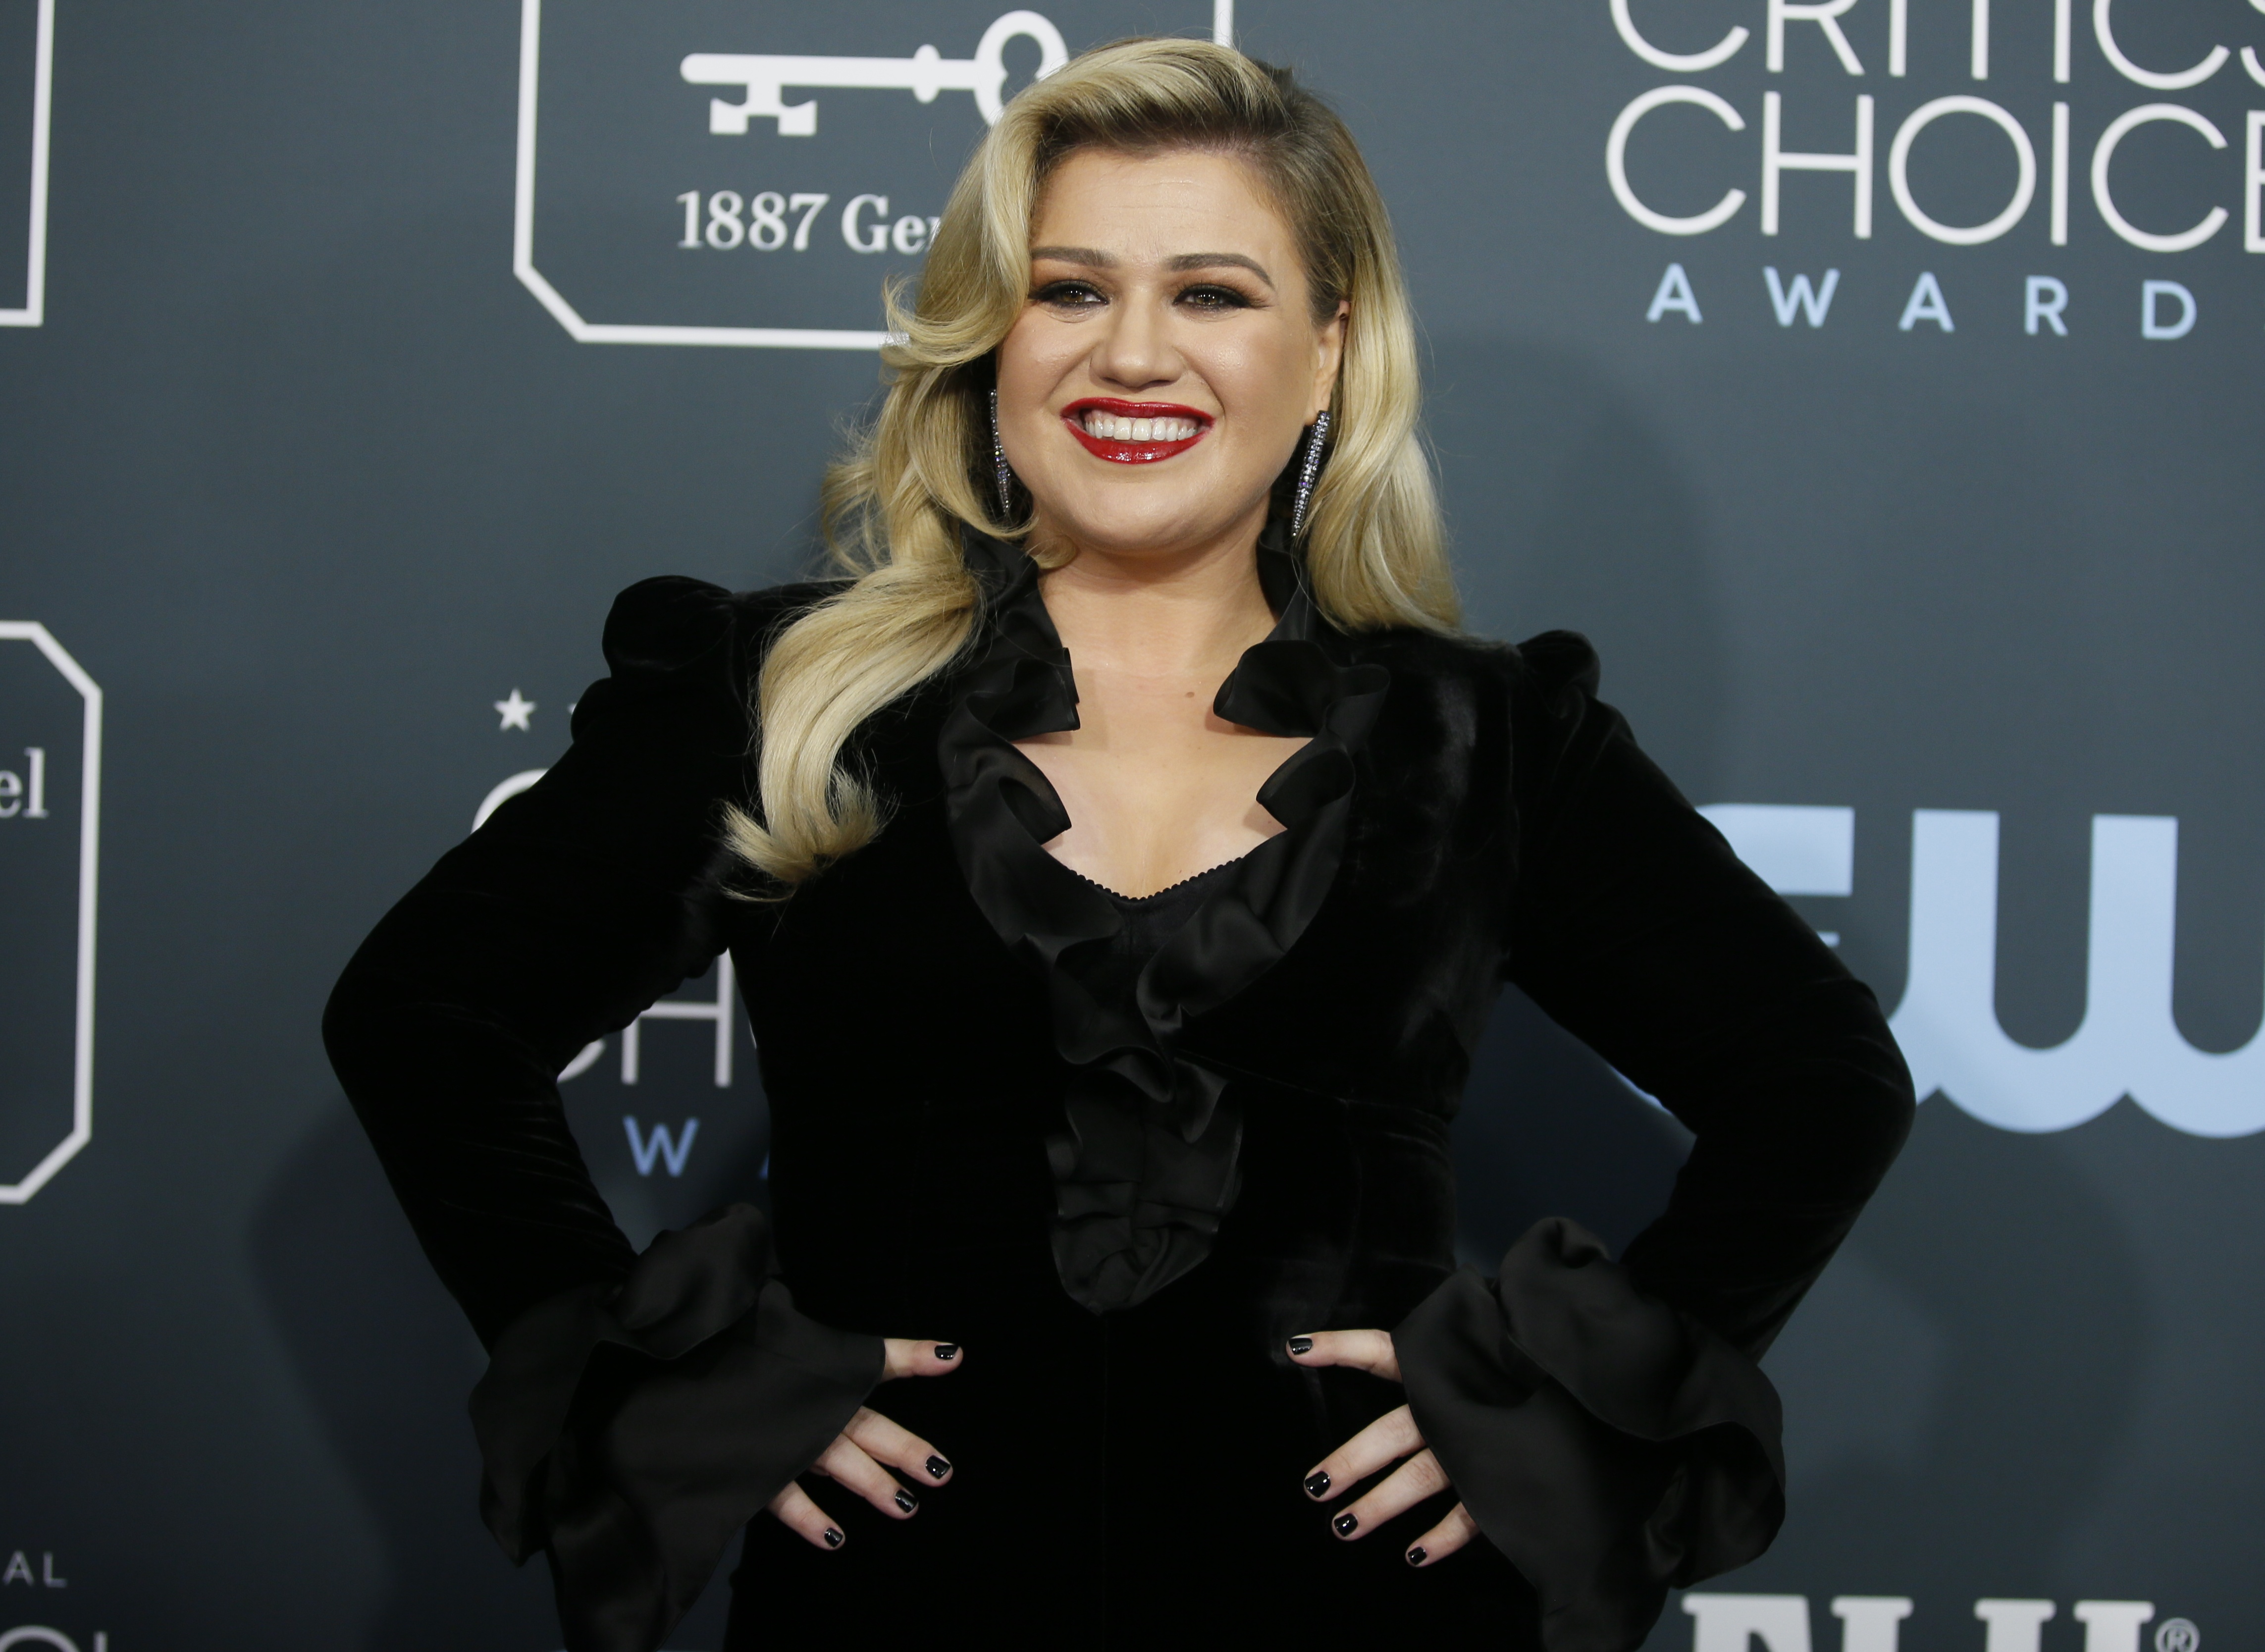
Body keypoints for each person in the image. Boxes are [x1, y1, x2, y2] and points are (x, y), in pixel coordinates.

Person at [323, 36, 1913, 1652]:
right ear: (990, 341)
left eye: (1212, 294)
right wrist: (668, 1378)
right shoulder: (789, 696)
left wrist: (1564, 1404)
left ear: (1329, 349)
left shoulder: (1486, 741)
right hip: (889, 1616)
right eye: (1070, 290)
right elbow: (427, 1016)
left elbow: (1819, 1078)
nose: (1133, 355)